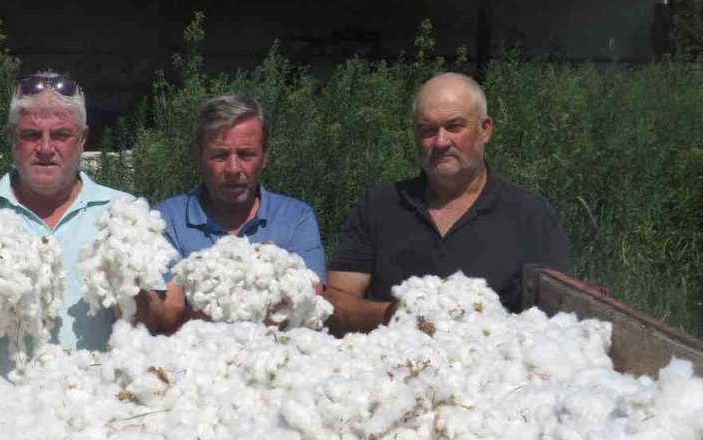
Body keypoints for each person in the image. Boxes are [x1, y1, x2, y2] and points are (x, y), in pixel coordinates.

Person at [0, 73, 158, 373]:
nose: (46, 149)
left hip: (96, 404)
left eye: (61, 135)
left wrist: (131, 283)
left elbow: (154, 322)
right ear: (12, 138)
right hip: (0, 408)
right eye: (31, 135)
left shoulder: (122, 213)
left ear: (82, 138)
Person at [324, 72, 571, 335]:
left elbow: (560, 317)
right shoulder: (379, 206)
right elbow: (334, 303)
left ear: (485, 130)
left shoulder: (530, 214)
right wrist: (393, 315)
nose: (441, 142)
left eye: (454, 126)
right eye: (428, 130)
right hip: (390, 366)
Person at [146, 94, 326, 334]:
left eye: (246, 154)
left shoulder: (295, 218)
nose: (233, 169)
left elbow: (307, 303)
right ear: (199, 156)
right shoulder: (166, 221)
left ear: (265, 156)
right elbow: (169, 311)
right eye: (220, 155)